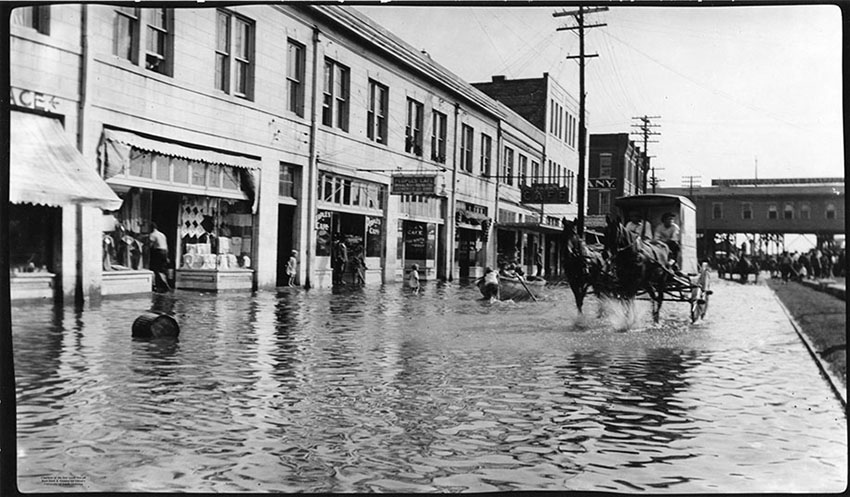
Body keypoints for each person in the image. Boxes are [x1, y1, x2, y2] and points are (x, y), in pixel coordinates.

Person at [149, 222, 171, 292]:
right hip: (165, 252)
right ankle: (165, 283)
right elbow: (166, 246)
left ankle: (161, 285)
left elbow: (150, 245)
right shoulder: (162, 234)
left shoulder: (152, 235)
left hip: (158, 252)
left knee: (156, 269)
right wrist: (167, 256)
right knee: (162, 269)